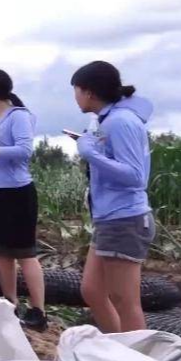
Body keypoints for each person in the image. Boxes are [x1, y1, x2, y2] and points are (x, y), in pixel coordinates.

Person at [72, 61, 155, 333]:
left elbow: (135, 176)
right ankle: (117, 350)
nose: (75, 97)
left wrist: (91, 154)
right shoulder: (106, 120)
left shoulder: (121, 121)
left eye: (77, 90)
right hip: (109, 218)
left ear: (89, 92)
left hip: (125, 218)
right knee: (92, 290)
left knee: (125, 301)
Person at [0, 69, 47, 331]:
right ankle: (10, 304)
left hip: (17, 193)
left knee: (24, 253)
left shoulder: (19, 117)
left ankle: (39, 311)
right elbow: (1, 158)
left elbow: (24, 151)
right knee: (2, 252)